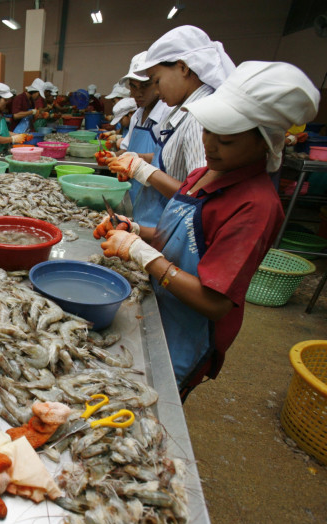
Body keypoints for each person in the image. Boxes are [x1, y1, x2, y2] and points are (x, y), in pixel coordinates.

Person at [95, 61, 320, 399]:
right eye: (207, 131)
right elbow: (179, 235)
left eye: (226, 140)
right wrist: (135, 229)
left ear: (266, 143)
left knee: (154, 403)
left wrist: (140, 253)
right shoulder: (204, 174)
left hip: (188, 330)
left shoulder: (255, 205)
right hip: (160, 305)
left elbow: (215, 303)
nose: (211, 145)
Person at [107, 26, 236, 227]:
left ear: (183, 68)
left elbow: (198, 195)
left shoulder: (198, 118)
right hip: (158, 220)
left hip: (178, 225)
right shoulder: (181, 111)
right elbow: (171, 160)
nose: (157, 91)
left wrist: (143, 170)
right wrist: (136, 159)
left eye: (157, 80)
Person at [105, 51, 172, 227]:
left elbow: (164, 159)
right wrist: (113, 157)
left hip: (157, 201)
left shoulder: (167, 114)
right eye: (133, 87)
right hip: (135, 192)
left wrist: (135, 162)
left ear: (157, 82)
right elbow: (127, 148)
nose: (138, 93)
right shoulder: (137, 114)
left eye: (145, 85)